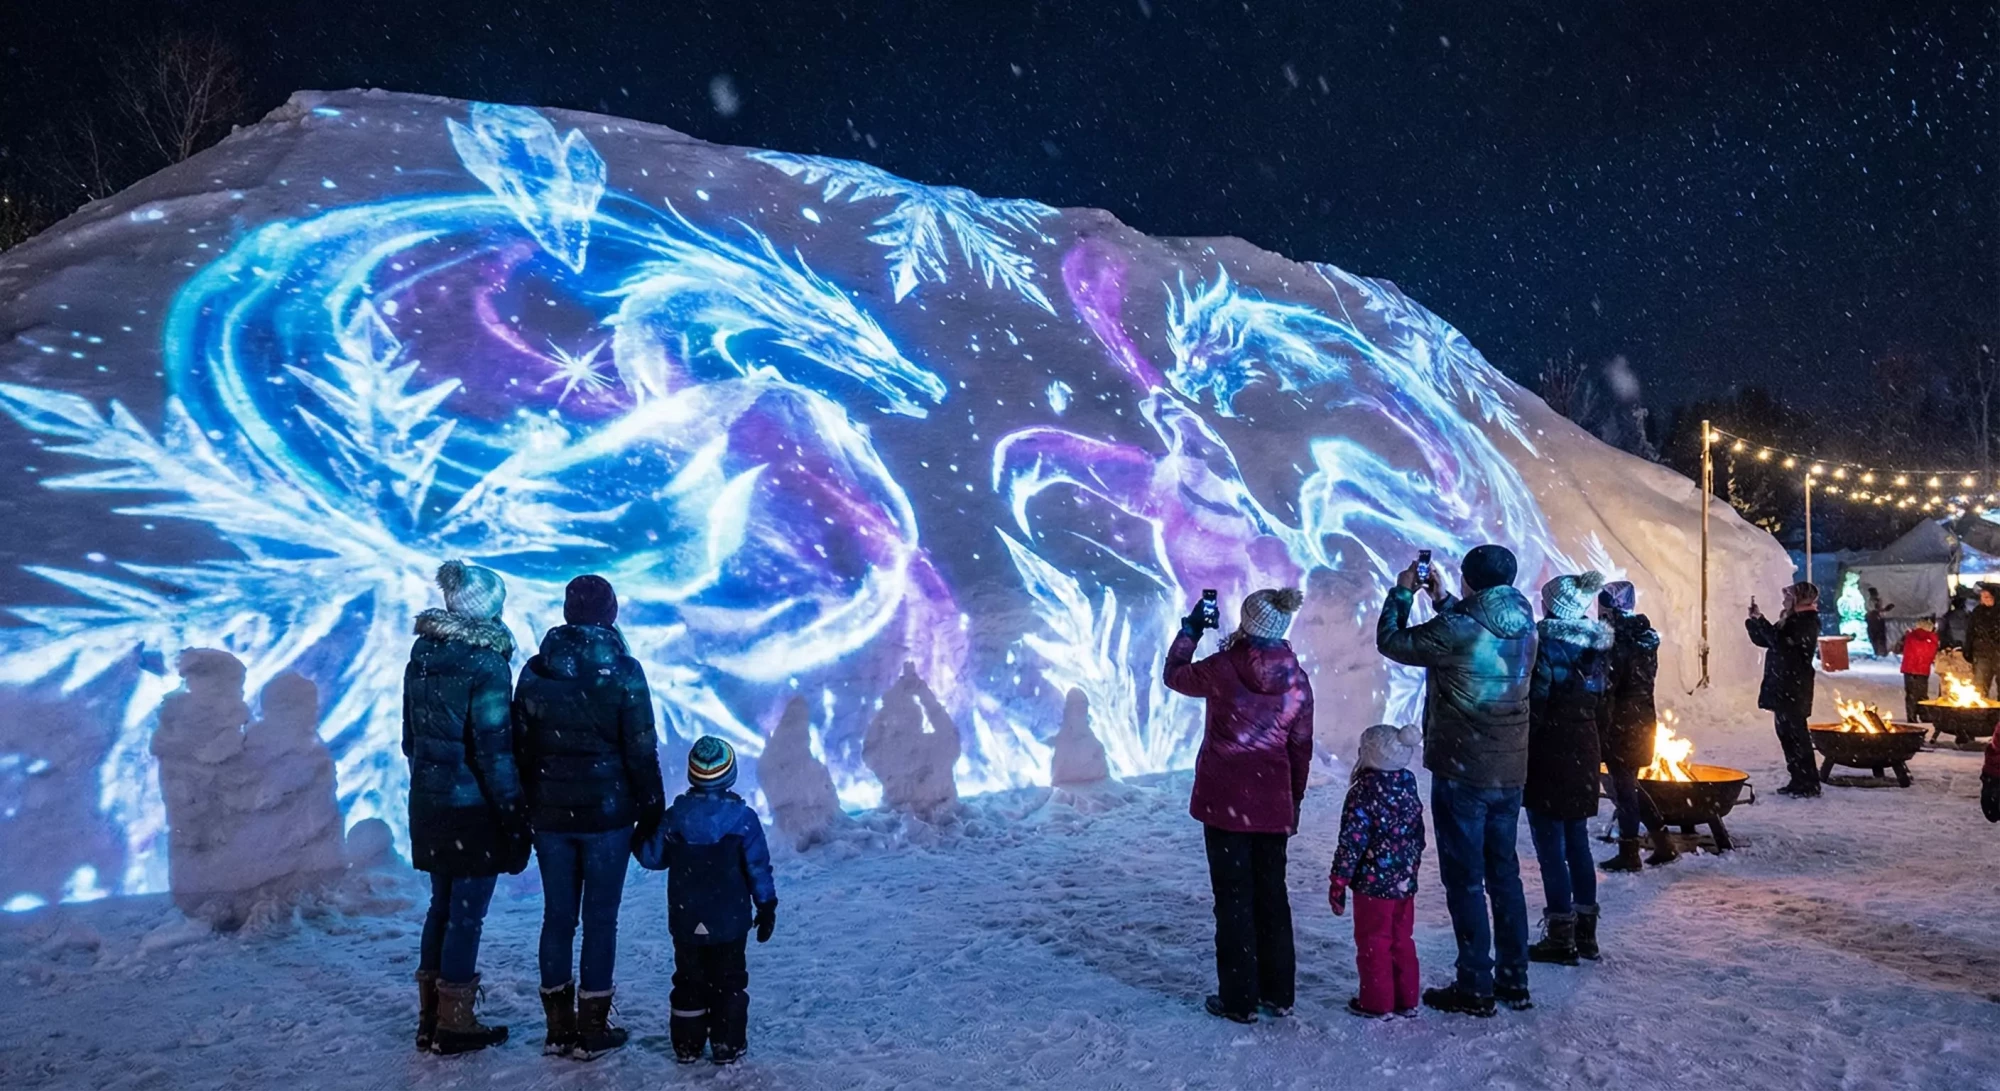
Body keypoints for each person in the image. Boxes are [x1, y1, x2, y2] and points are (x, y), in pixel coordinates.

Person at [1376, 543, 1538, 1017]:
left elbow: (1393, 641)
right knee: (1504, 875)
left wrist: (1403, 594)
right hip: (1509, 768)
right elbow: (1474, 631)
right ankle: (1514, 980)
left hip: (1463, 768)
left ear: (1469, 580)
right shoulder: (1524, 619)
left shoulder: (1458, 628)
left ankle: (1475, 985)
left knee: (1466, 880)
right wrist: (1444, 601)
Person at [513, 575, 666, 1060]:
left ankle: (558, 1029)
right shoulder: (624, 672)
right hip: (607, 816)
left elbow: (519, 747)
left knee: (557, 918)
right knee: (601, 919)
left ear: (567, 612)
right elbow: (641, 750)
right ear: (610, 613)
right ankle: (593, 1028)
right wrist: (652, 812)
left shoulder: (536, 671)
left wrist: (526, 804)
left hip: (550, 817)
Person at [1164, 587, 1315, 1025]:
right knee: (1272, 898)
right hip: (1272, 803)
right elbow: (1300, 746)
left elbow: (1175, 675)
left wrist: (1191, 630)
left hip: (1226, 802)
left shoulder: (1222, 667)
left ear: (1247, 622)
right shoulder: (1298, 680)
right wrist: (1294, 799)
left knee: (1233, 900)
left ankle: (1239, 999)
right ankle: (1278, 994)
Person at [403, 559, 529, 1055]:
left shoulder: (422, 655)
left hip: (430, 803)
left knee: (441, 907)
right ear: (489, 609)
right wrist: (514, 816)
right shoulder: (487, 665)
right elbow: (495, 753)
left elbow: (410, 739)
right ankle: (454, 1024)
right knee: (466, 916)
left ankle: (429, 1018)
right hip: (472, 810)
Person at [635, 737, 778, 1066]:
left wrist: (643, 829)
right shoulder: (743, 819)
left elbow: (652, 857)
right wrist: (766, 905)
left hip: (686, 919)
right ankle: (727, 1043)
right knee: (729, 980)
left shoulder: (675, 818)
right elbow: (758, 867)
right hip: (730, 922)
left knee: (688, 980)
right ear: (730, 776)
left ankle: (687, 1044)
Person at [1523, 572, 1610, 968]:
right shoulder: (1596, 645)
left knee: (1551, 849)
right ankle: (1586, 933)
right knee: (1578, 844)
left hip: (1551, 751)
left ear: (1553, 607)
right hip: (1585, 746)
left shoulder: (1546, 646)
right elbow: (1602, 703)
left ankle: (1561, 934)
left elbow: (1536, 705)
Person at [1327, 723, 1426, 1019]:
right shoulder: (1407, 784)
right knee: (1401, 939)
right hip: (1404, 882)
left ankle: (1377, 1002)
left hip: (1373, 885)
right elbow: (1418, 834)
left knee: (1374, 941)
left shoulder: (1363, 792)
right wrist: (1410, 866)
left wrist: (1339, 879)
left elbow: (1352, 841)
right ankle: (1407, 999)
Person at [1596, 581, 1677, 871]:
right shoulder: (1643, 636)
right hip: (1640, 720)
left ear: (1610, 609)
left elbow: (1609, 686)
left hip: (1620, 723)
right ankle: (1663, 843)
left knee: (1624, 790)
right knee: (1629, 785)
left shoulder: (1617, 641)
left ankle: (1629, 853)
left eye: (1601, 606)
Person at [1746, 582, 1822, 798]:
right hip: (1782, 684)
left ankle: (1808, 782)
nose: (1784, 600)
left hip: (1794, 686)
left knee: (1797, 737)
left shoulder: (1806, 621)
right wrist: (1754, 621)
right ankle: (1798, 779)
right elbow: (1767, 640)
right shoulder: (1791, 620)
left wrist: (1761, 621)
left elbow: (1780, 643)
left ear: (1799, 599)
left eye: (1788, 597)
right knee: (1787, 736)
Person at [1899, 616, 1941, 724]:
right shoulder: (1932, 638)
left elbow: (1900, 648)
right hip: (1923, 669)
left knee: (1911, 693)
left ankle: (1911, 716)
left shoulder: (1910, 636)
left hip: (1909, 669)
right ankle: (1924, 715)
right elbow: (1933, 653)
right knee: (1922, 693)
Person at [1966, 585, 2000, 698]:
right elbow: (1970, 632)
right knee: (1980, 687)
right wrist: (1968, 650)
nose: (1984, 599)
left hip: (1998, 653)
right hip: (1982, 654)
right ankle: (1981, 708)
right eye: (1982, 597)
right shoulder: (1977, 612)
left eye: (1987, 596)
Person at [1864, 587, 1894, 659]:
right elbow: (1873, 610)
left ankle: (1881, 651)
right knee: (1876, 637)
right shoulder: (1870, 602)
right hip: (1873, 622)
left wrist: (1886, 609)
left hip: (1878, 621)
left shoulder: (1877, 601)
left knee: (1880, 637)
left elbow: (1879, 610)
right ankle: (1878, 651)